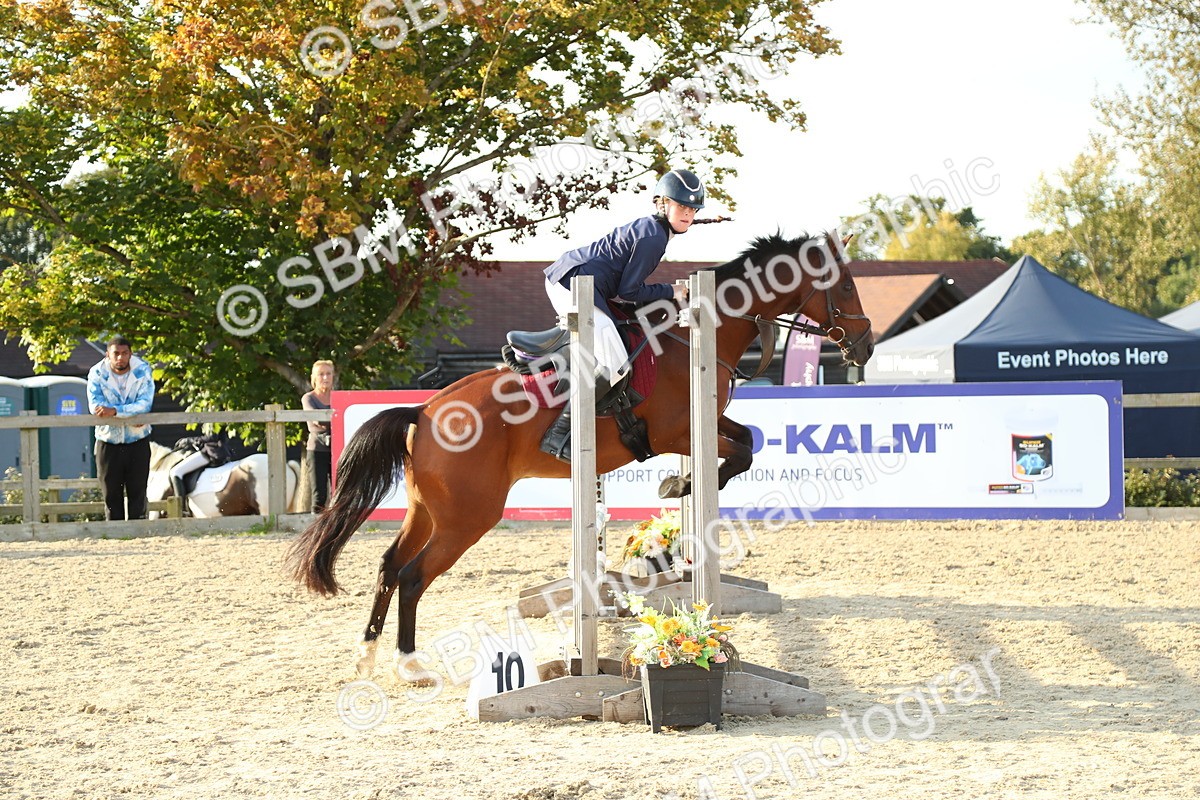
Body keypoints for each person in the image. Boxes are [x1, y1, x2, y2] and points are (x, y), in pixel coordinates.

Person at [539, 168, 702, 460]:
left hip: (575, 281)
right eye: (681, 207)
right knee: (615, 364)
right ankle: (559, 432)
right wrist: (672, 290)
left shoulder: (653, 229)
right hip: (574, 285)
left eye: (692, 209)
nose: (688, 214)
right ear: (662, 203)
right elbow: (629, 291)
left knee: (615, 339)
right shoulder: (654, 237)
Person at [86, 335, 156, 521]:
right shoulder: (97, 373)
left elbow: (144, 404)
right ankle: (114, 532)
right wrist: (129, 414)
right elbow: (96, 407)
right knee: (110, 494)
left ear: (130, 354)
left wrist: (115, 411)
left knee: (138, 491)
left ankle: (138, 531)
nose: (120, 357)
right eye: (116, 353)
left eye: (125, 353)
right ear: (107, 354)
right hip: (108, 440)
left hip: (138, 439)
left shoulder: (142, 370)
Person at [302, 360, 335, 512]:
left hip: (338, 449)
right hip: (317, 450)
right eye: (321, 374)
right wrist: (334, 420)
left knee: (340, 493)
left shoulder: (338, 396)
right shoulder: (308, 398)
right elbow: (316, 419)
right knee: (319, 495)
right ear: (314, 377)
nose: (325, 377)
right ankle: (317, 524)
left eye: (328, 373)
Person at [168, 430, 233, 508]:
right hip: (221, 450)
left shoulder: (213, 422)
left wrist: (189, 440)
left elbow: (212, 437)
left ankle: (180, 508)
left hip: (212, 451)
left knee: (175, 472)